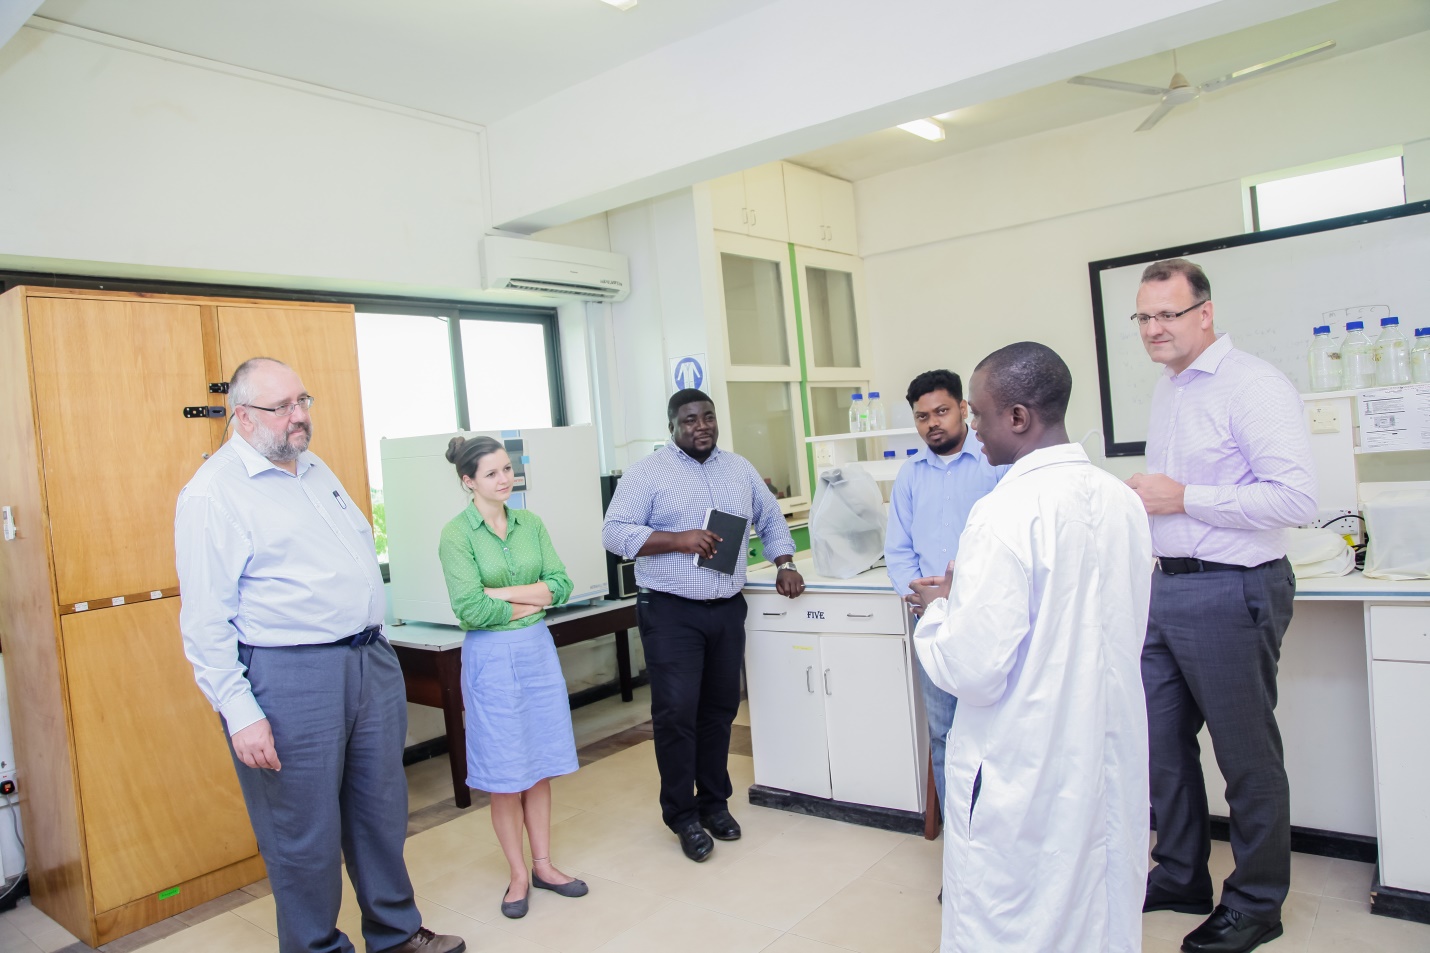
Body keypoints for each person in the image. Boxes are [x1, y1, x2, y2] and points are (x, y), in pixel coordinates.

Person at [175, 357, 463, 953]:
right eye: (281, 408)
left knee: (379, 812)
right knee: (302, 834)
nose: (298, 417)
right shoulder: (212, 495)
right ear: (242, 417)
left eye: (302, 401)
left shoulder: (312, 467)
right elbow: (205, 620)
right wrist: (240, 711)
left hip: (367, 662)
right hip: (289, 676)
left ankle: (396, 934)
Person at [908, 342, 1152, 953]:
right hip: (1102, 747)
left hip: (1027, 760)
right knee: (1098, 906)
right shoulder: (1122, 499)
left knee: (1016, 916)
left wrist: (941, 609)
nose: (975, 431)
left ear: (1018, 418)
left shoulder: (1003, 513)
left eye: (981, 415)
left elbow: (973, 668)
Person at [1127, 259, 1316, 953]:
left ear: (1205, 312)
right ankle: (1181, 873)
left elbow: (1296, 499)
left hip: (1231, 588)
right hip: (1166, 586)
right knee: (1162, 746)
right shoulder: (1169, 389)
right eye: (1144, 317)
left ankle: (1257, 902)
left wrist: (1184, 497)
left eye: (1167, 315)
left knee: (1245, 757)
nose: (1154, 329)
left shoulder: (1253, 386)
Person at [602, 388, 804, 862]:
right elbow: (614, 533)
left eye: (708, 418)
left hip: (725, 608)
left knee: (719, 711)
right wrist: (678, 539)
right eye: (690, 420)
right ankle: (682, 816)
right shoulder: (647, 473)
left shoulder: (738, 468)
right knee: (676, 715)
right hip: (671, 610)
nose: (701, 427)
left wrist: (784, 562)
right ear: (672, 426)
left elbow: (770, 517)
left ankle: (715, 803)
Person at [437, 435, 588, 920]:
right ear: (468, 482)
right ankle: (518, 874)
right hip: (491, 661)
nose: (505, 479)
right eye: (492, 473)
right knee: (506, 775)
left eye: (508, 469)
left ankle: (544, 865)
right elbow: (470, 608)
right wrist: (532, 597)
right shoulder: (456, 535)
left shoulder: (531, 523)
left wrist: (507, 594)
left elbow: (562, 585)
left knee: (538, 763)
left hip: (536, 653)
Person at [885, 369, 1007, 861]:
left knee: (1000, 731)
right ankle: (962, 850)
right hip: (933, 624)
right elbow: (898, 552)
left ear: (962, 409)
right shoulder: (911, 477)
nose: (932, 423)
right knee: (944, 733)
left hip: (989, 620)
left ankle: (1000, 845)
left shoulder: (996, 466)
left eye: (941, 411)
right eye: (921, 416)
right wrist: (921, 597)